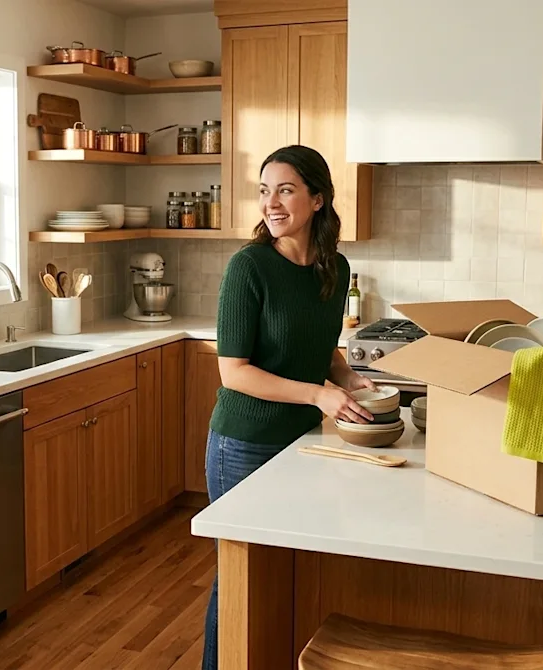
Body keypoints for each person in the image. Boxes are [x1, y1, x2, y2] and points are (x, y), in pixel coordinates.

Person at [201, 145, 376, 669]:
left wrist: (348, 378)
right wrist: (319, 393)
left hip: (301, 441)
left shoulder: (335, 268)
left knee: (290, 569)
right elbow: (233, 371)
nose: (271, 203)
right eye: (264, 190)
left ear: (317, 199)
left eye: (285, 189)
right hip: (244, 444)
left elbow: (320, 351)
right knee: (240, 574)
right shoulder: (248, 267)